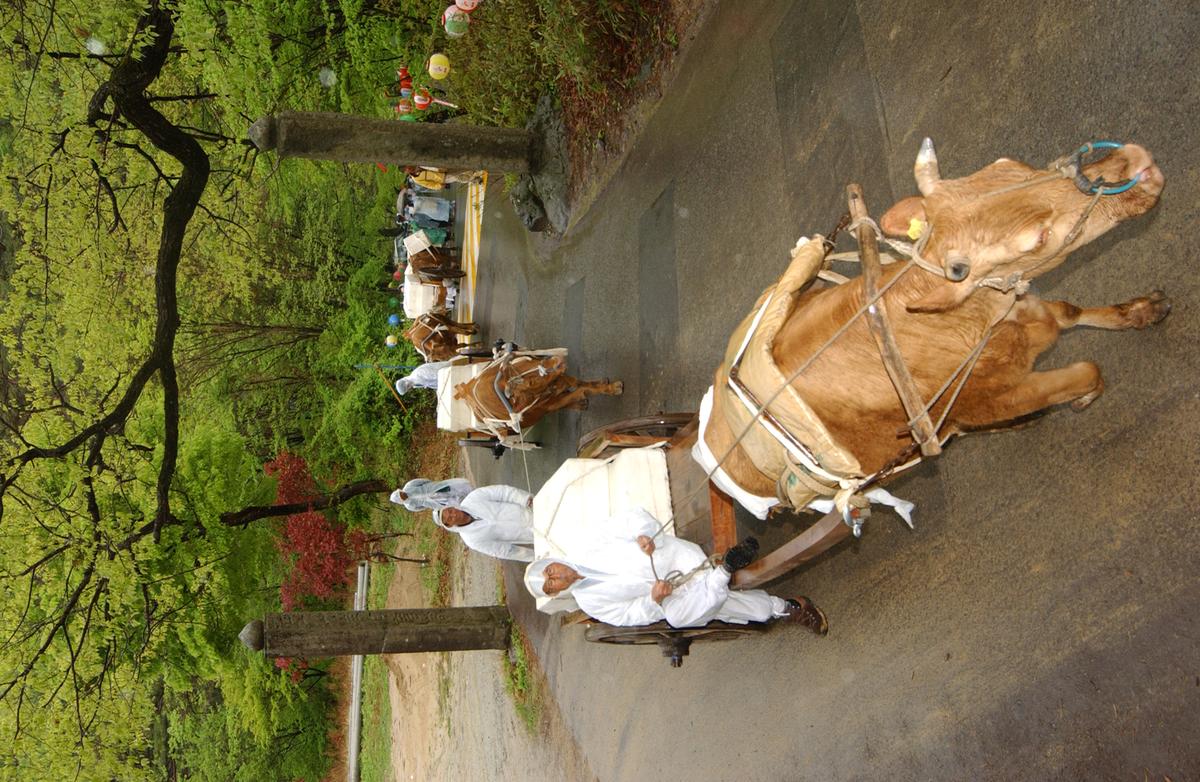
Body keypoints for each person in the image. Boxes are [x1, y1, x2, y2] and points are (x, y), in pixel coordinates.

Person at [524, 507, 827, 633]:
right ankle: (727, 571)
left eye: (549, 571)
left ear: (552, 562)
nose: (556, 577)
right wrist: (653, 599)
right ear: (555, 592)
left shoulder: (587, 544)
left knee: (718, 603)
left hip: (676, 559)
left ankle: (782, 607)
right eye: (551, 584)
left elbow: (631, 517)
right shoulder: (590, 603)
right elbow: (630, 616)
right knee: (678, 618)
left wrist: (643, 535)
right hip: (668, 596)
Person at [436, 484, 535, 562]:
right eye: (450, 519)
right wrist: (535, 557)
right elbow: (504, 551)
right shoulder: (471, 540)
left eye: (450, 511)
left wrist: (525, 499)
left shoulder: (472, 498)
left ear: (452, 507)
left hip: (531, 509)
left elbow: (502, 492)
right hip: (531, 534)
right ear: (449, 526)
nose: (453, 515)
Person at [389, 477, 473, 514]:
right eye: (401, 497)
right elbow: (421, 508)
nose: (403, 494)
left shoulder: (409, 486)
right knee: (453, 502)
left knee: (453, 488)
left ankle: (471, 489)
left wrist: (431, 486)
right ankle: (470, 500)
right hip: (434, 502)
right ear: (401, 501)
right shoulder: (409, 506)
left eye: (401, 493)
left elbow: (422, 481)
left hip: (434, 488)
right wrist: (428, 503)